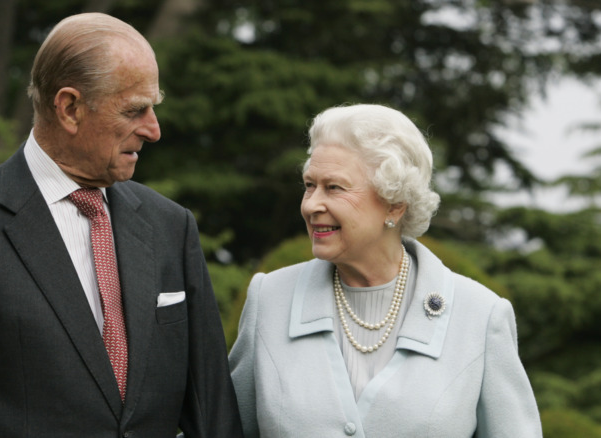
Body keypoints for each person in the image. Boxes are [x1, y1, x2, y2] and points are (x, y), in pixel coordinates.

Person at [0, 13, 243, 437]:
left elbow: (214, 415)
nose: (153, 130)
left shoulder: (172, 227)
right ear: (69, 108)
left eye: (153, 108)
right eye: (134, 110)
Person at [228, 104, 542, 437]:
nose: (311, 205)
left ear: (394, 203)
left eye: (334, 187)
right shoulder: (270, 299)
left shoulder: (480, 316)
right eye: (309, 185)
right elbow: (222, 428)